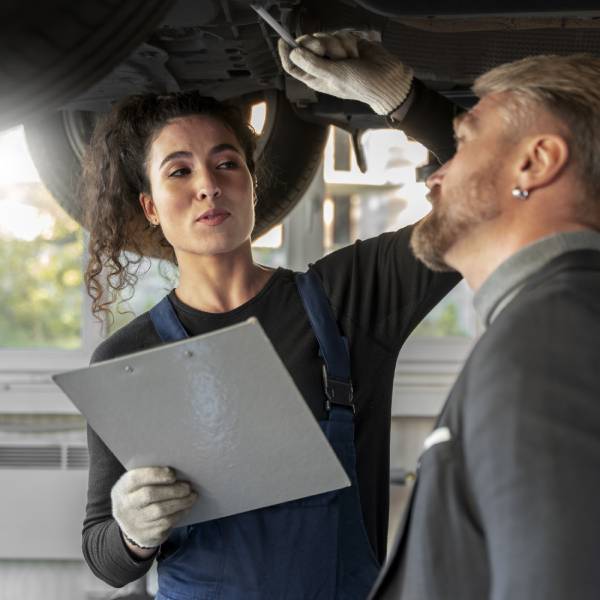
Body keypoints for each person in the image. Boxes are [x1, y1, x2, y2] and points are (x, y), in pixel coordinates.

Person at [80, 34, 461, 599]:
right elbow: (105, 558)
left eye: (226, 163)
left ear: (253, 187)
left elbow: (495, 192)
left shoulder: (349, 298)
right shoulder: (127, 360)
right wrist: (134, 533)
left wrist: (399, 96)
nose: (208, 185)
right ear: (151, 208)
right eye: (179, 172)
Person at [281, 36, 600, 600]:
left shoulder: (550, 338)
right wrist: (400, 97)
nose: (432, 177)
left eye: (464, 142)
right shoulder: (556, 320)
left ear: (535, 161)